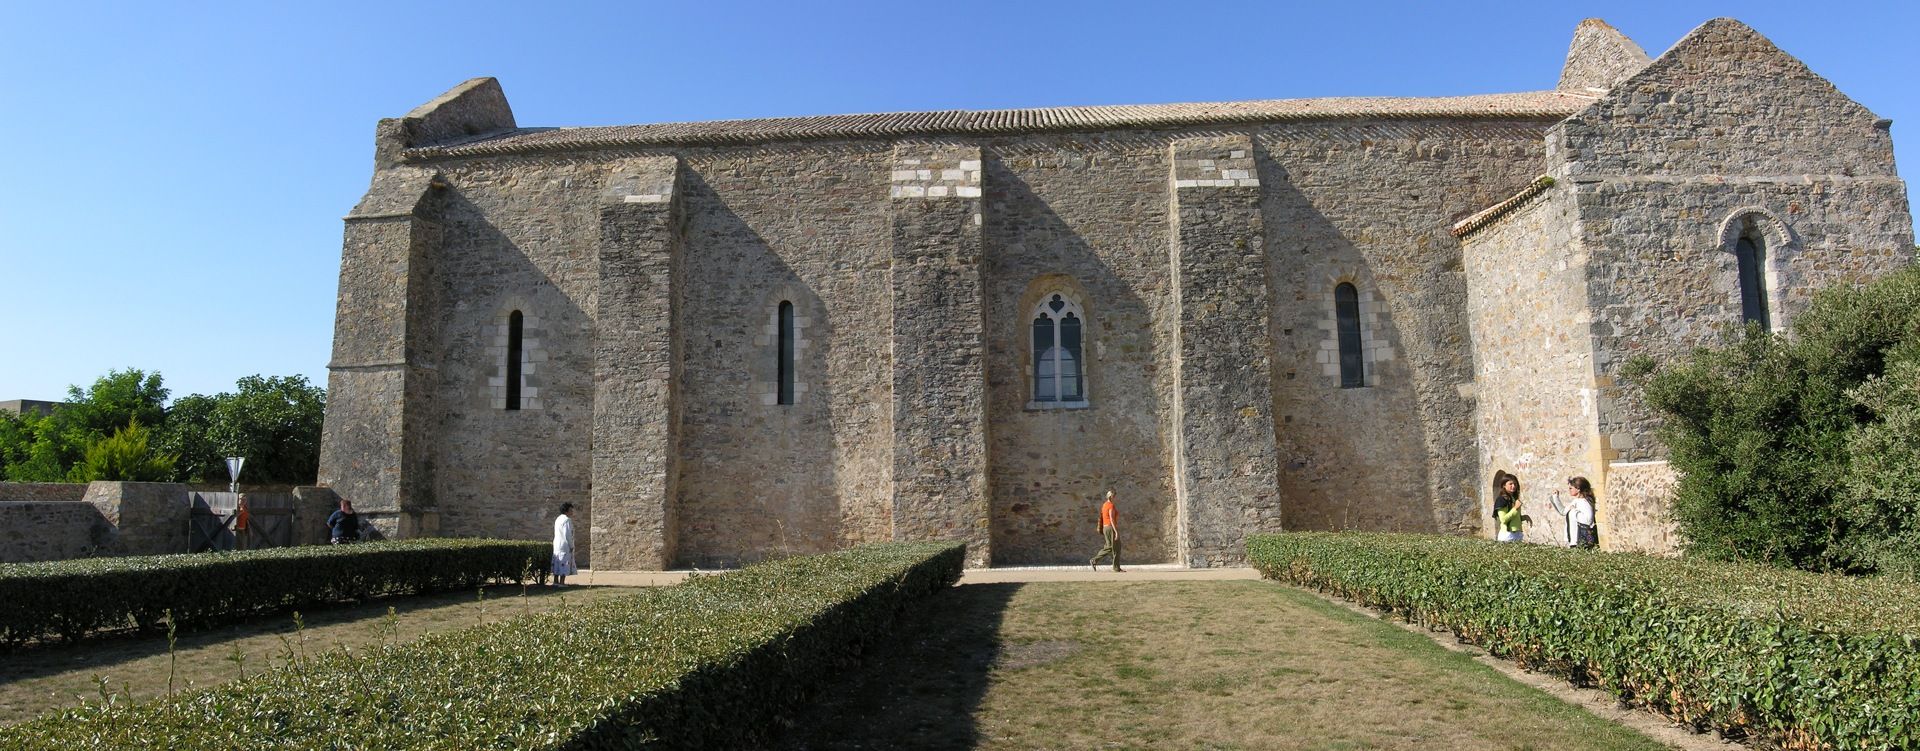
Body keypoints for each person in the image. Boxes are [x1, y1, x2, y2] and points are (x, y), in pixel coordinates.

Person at [1557, 476, 1597, 549]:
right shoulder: (1575, 501)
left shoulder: (1585, 502)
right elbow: (1563, 511)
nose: (1569, 490)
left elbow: (1588, 521)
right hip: (1573, 541)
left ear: (1578, 489)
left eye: (1571, 488)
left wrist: (1575, 511)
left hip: (1583, 541)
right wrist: (1555, 497)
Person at [1089, 490, 1123, 572]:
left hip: (1105, 528)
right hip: (1110, 528)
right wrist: (1116, 532)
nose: (1115, 497)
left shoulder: (1104, 505)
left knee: (1110, 547)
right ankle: (1116, 567)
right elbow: (1111, 518)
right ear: (1111, 496)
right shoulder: (1110, 505)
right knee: (1116, 547)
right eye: (1114, 496)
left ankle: (1095, 560)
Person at [1492, 471, 1526, 543]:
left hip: (1517, 533)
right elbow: (1503, 520)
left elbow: (1513, 517)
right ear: (1504, 485)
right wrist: (1515, 508)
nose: (1513, 486)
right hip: (1507, 535)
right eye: (1510, 484)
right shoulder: (1501, 500)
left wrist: (1524, 518)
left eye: (1515, 484)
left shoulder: (1513, 498)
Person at [552, 502, 578, 586]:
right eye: (571, 510)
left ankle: (555, 581)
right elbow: (568, 534)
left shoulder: (558, 519)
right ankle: (562, 582)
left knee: (557, 562)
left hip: (557, 544)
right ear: (566, 511)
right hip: (564, 545)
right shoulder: (567, 520)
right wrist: (571, 545)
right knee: (564, 562)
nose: (572, 512)